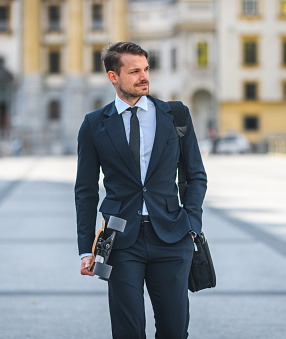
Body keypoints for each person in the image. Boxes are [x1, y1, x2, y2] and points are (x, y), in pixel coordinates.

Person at [75, 41, 207, 339]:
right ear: (113, 77)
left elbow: (197, 175)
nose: (143, 76)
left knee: (175, 330)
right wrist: (86, 248)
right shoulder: (94, 124)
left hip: (172, 237)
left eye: (146, 69)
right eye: (134, 71)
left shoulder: (176, 115)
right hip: (120, 241)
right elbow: (85, 190)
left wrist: (192, 225)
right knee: (128, 331)